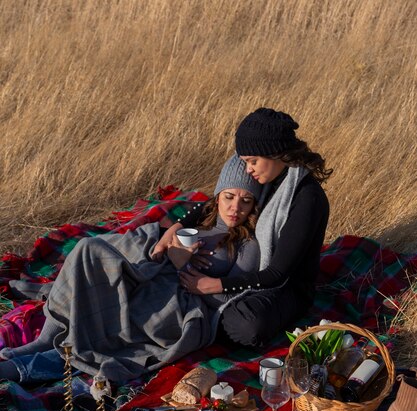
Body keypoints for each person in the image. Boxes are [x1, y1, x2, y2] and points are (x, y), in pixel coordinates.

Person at [0, 155, 261, 383]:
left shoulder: (247, 244)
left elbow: (234, 296)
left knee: (126, 311)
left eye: (246, 201)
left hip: (183, 301)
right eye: (228, 197)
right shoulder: (203, 216)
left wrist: (198, 282)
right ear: (218, 196)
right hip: (156, 270)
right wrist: (170, 251)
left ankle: (28, 366)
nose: (235, 208)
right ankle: (48, 337)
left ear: (254, 205)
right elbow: (165, 240)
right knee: (89, 251)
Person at [176, 107, 332, 347]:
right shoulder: (271, 176)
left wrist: (212, 286)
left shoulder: (306, 199)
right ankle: (199, 310)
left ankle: (201, 311)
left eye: (252, 161)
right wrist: (176, 226)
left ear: (275, 153)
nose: (248, 169)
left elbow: (277, 274)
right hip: (250, 271)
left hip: (285, 288)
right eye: (245, 162)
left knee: (248, 324)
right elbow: (214, 201)